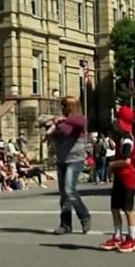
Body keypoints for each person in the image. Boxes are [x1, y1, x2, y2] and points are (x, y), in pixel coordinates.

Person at [46, 95, 92, 234]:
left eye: (64, 105)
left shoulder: (78, 120)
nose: (62, 108)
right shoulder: (61, 122)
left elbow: (79, 125)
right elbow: (53, 133)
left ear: (71, 107)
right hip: (62, 160)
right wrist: (51, 127)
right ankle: (65, 224)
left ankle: (84, 216)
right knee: (64, 195)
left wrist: (62, 121)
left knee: (69, 190)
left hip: (75, 159)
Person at [101, 106, 135, 253]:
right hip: (119, 176)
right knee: (115, 207)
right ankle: (117, 236)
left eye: (117, 119)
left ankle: (132, 239)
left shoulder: (127, 140)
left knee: (128, 209)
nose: (115, 121)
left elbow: (127, 160)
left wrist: (111, 165)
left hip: (127, 177)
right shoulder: (121, 137)